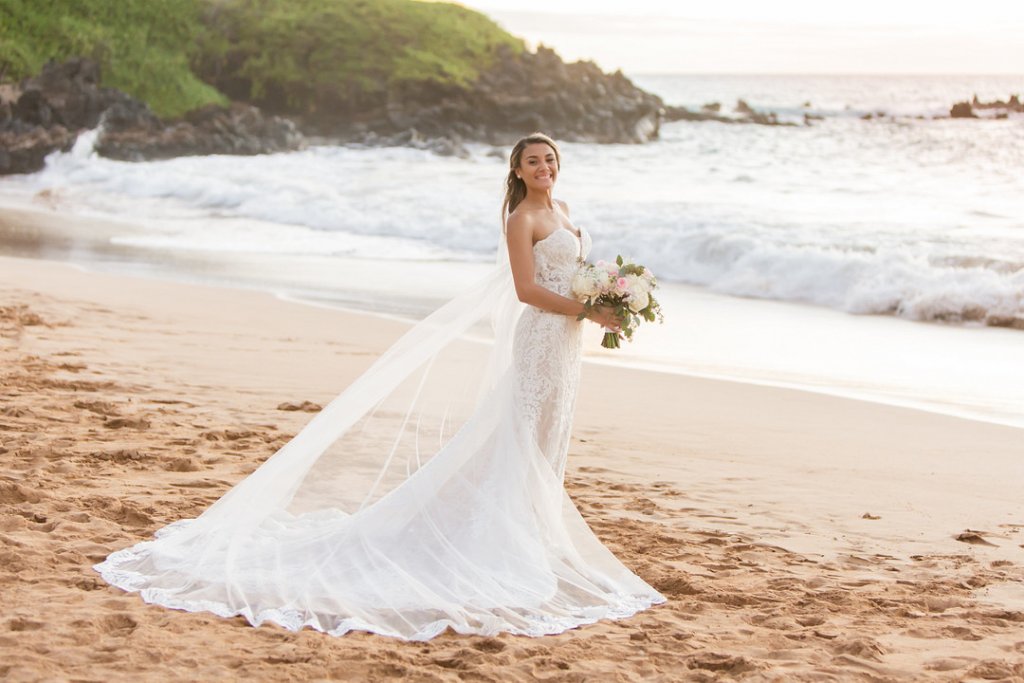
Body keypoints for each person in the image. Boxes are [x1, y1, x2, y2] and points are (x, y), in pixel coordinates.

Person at [94, 132, 667, 641]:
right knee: (516, 435)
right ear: (517, 171)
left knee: (549, 437)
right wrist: (587, 311)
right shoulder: (523, 220)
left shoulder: (565, 210)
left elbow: (572, 275)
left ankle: (535, 535)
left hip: (567, 345)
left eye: (550, 159)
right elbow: (523, 290)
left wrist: (603, 299)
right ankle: (505, 540)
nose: (544, 167)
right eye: (533, 161)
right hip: (543, 336)